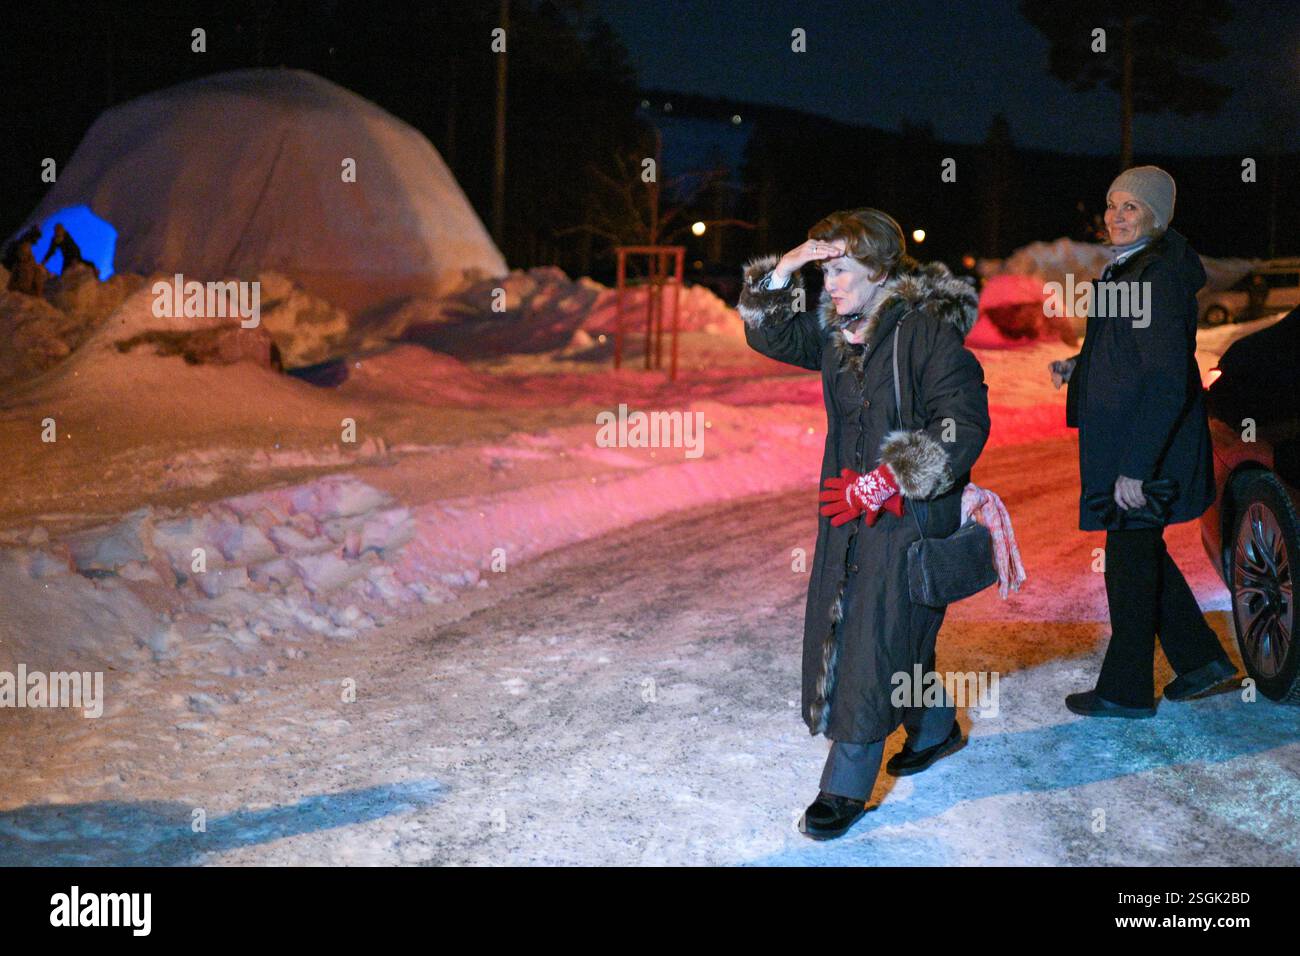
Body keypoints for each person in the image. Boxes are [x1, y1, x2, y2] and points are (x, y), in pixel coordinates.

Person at [738, 208, 990, 840]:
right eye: (826, 268)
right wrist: (786, 267)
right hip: (845, 513)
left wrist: (890, 479)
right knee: (887, 631)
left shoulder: (925, 332)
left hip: (906, 513)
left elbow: (962, 420)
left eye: (842, 268)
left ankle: (845, 784)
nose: (831, 281)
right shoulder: (834, 330)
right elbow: (768, 334)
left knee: (868, 642)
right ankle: (934, 727)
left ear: (880, 271)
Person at [1050, 166, 1236, 719]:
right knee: (1140, 553)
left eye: (1131, 206)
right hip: (1128, 441)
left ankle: (1126, 689)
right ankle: (1201, 661)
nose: (1116, 216)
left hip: (1142, 447)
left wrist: (1136, 467)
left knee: (1130, 564)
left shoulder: (1155, 277)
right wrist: (1078, 367)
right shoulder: (1129, 270)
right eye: (1111, 204)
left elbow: (1165, 378)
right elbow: (1118, 347)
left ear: (1156, 215)